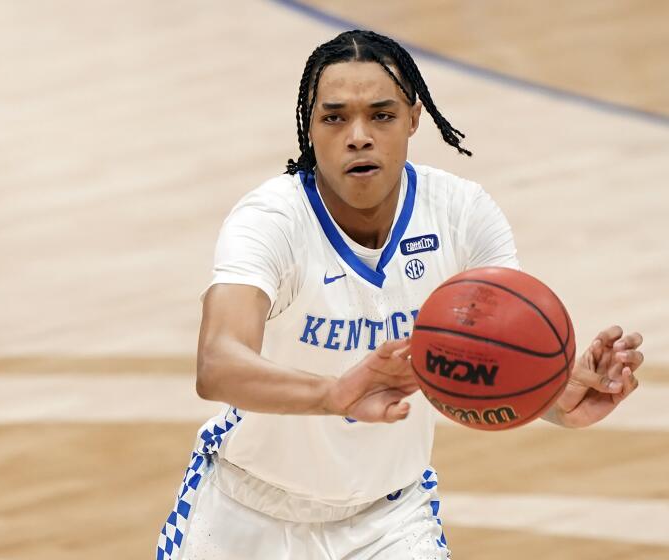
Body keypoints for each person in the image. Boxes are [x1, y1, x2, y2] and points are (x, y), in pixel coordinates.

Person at [156, 29, 644, 560]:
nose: (358, 136)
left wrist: (551, 397)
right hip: (245, 517)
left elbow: (492, 363)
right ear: (310, 127)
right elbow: (218, 363)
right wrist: (332, 394)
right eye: (335, 117)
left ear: (414, 118)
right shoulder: (271, 221)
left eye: (381, 115)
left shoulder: (461, 214)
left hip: (389, 521)